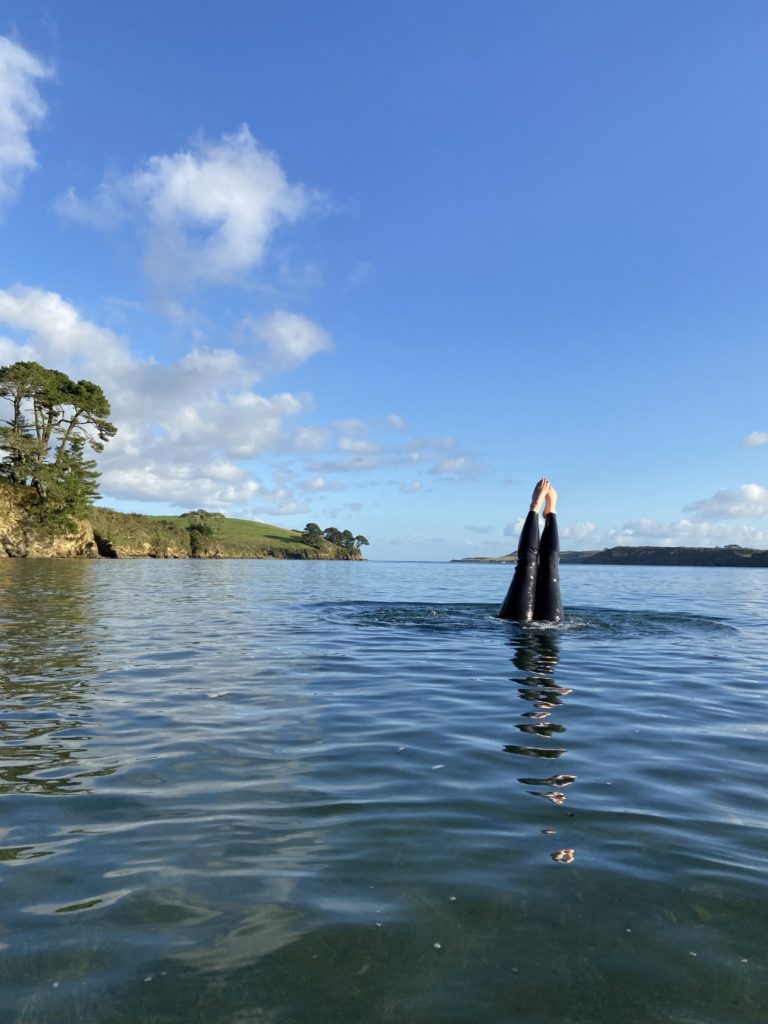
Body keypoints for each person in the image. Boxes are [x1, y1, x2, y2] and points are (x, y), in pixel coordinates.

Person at [498, 478, 563, 623]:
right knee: (550, 567)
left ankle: (536, 507)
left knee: (527, 565)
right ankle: (550, 511)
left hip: (517, 625)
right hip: (551, 629)